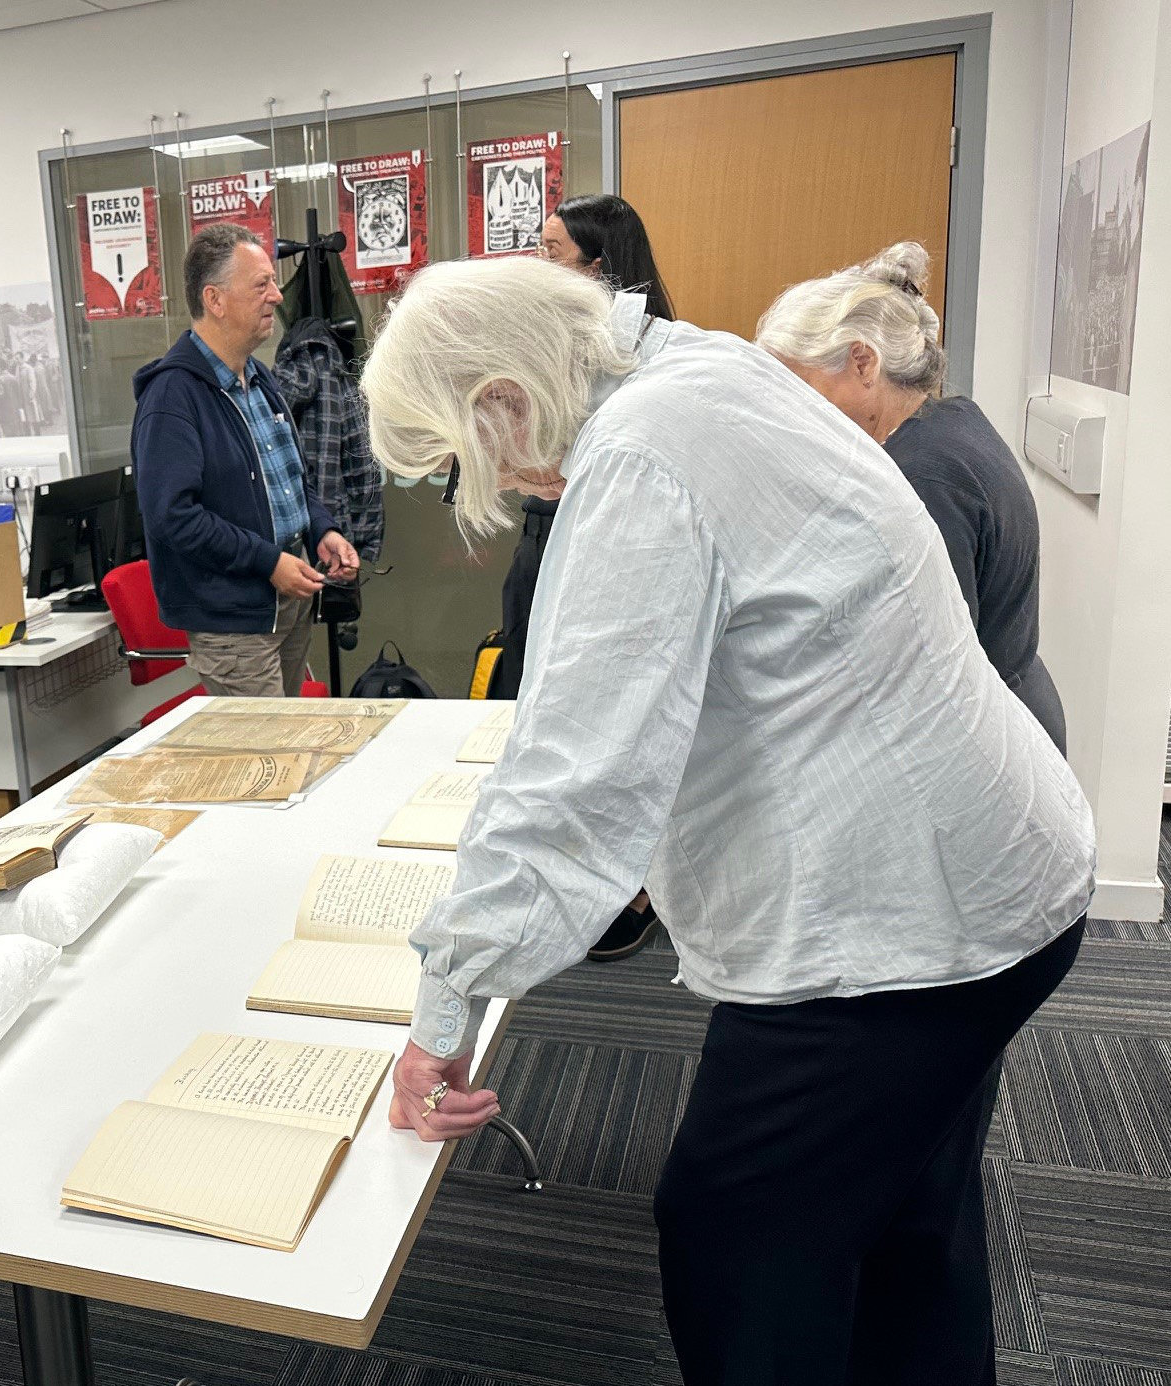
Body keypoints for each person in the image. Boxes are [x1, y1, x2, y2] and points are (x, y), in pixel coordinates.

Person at [362, 255, 1092, 1385]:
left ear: (504, 397)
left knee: (733, 1235)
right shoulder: (704, 368)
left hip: (908, 933)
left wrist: (443, 1010)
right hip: (999, 875)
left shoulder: (642, 453)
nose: (500, 484)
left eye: (469, 451)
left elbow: (572, 780)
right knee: (908, 1222)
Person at [756, 242, 1066, 751]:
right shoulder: (948, 419)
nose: (794, 414)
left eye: (801, 389)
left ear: (862, 362)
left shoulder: (924, 476)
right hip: (1010, 700)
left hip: (990, 739)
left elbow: (928, 669)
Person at [492, 192, 676, 961]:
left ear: (598, 270)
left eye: (553, 252)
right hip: (545, 536)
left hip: (602, 542)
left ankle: (629, 888)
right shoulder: (559, 345)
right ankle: (563, 879)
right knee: (529, 691)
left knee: (603, 705)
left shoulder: (641, 358)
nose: (539, 264)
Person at [131, 222, 359, 697]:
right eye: (262, 284)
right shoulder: (172, 397)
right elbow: (172, 516)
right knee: (265, 756)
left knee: (287, 744)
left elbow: (293, 481)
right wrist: (266, 560)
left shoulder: (258, 378)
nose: (277, 296)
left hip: (285, 600)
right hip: (234, 618)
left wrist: (323, 529)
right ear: (214, 300)